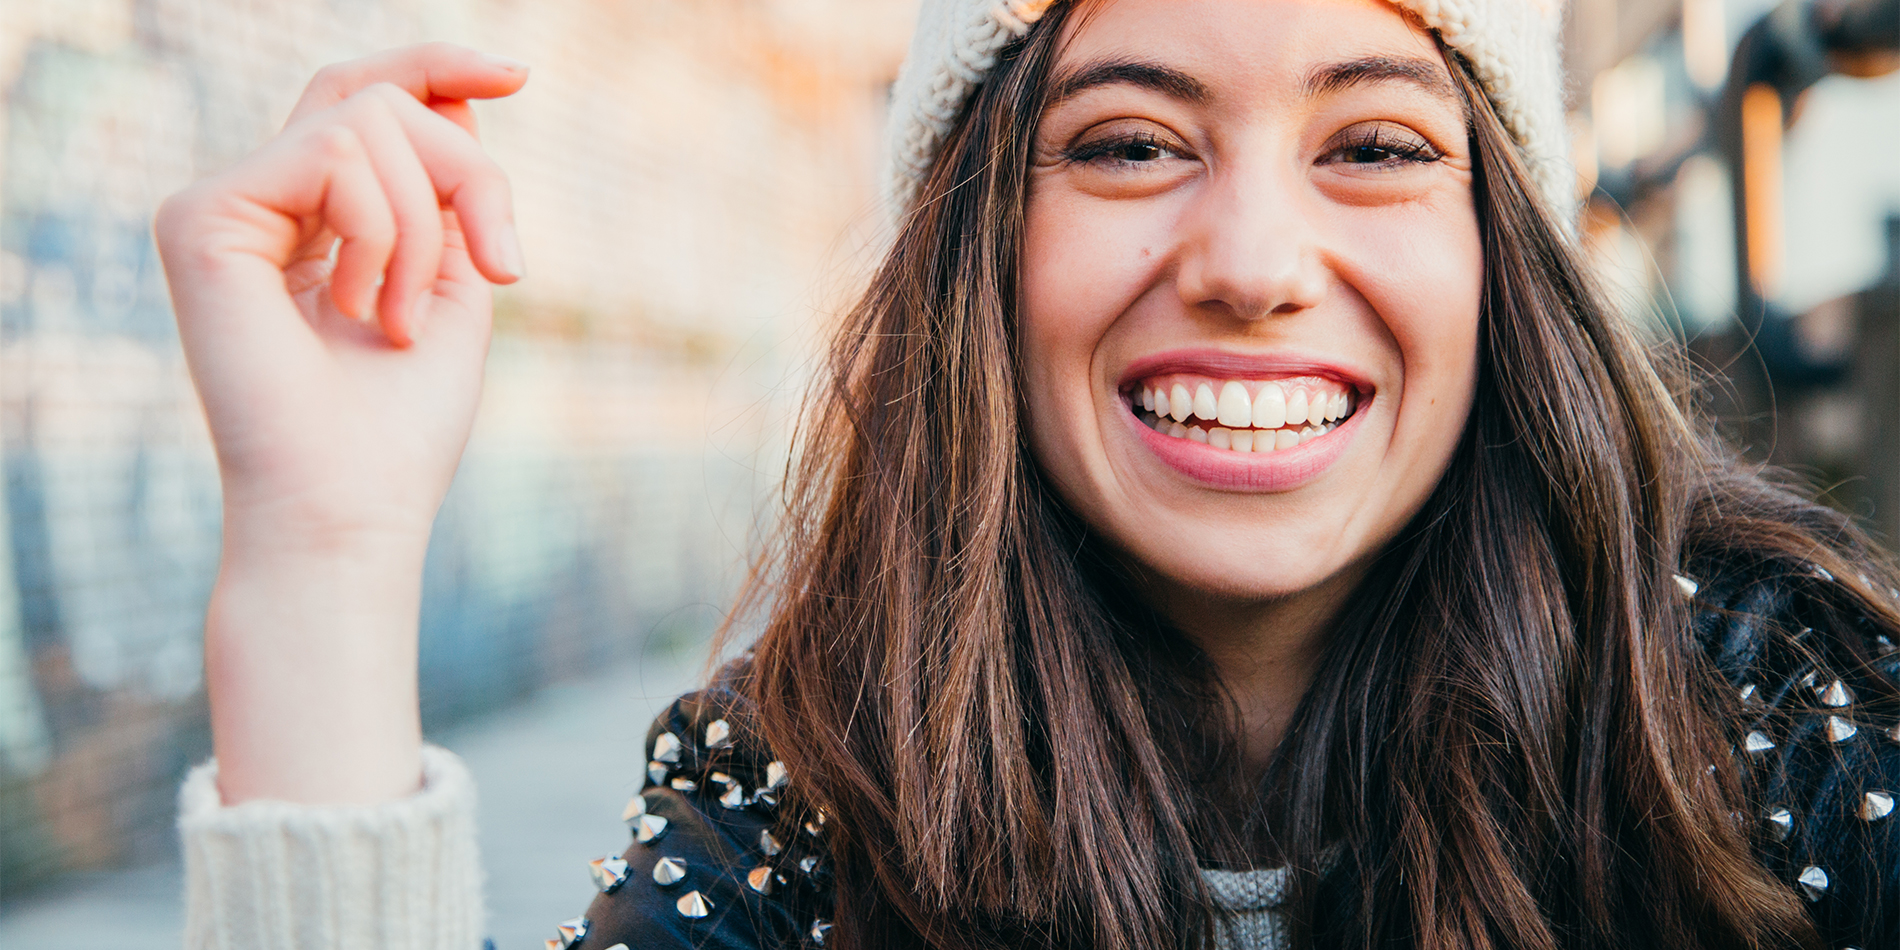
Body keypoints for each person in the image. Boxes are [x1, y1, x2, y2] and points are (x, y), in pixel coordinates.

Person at [154, 0, 1900, 948]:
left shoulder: (1786, 733)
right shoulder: (804, 812)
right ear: (978, 252)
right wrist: (324, 551)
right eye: (1131, 140)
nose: (1253, 257)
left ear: (1499, 250)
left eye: (1375, 143)